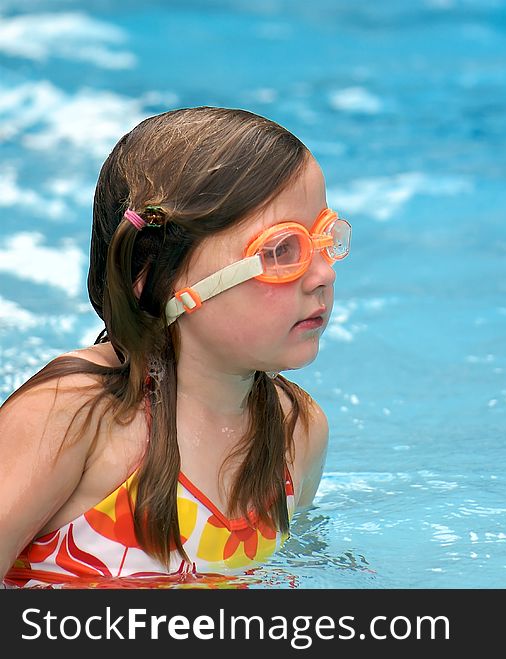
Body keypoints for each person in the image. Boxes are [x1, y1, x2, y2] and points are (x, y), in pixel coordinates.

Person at [0, 107, 350, 587]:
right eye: (281, 251)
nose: (324, 274)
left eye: (323, 239)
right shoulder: (75, 417)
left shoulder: (296, 431)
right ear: (153, 277)